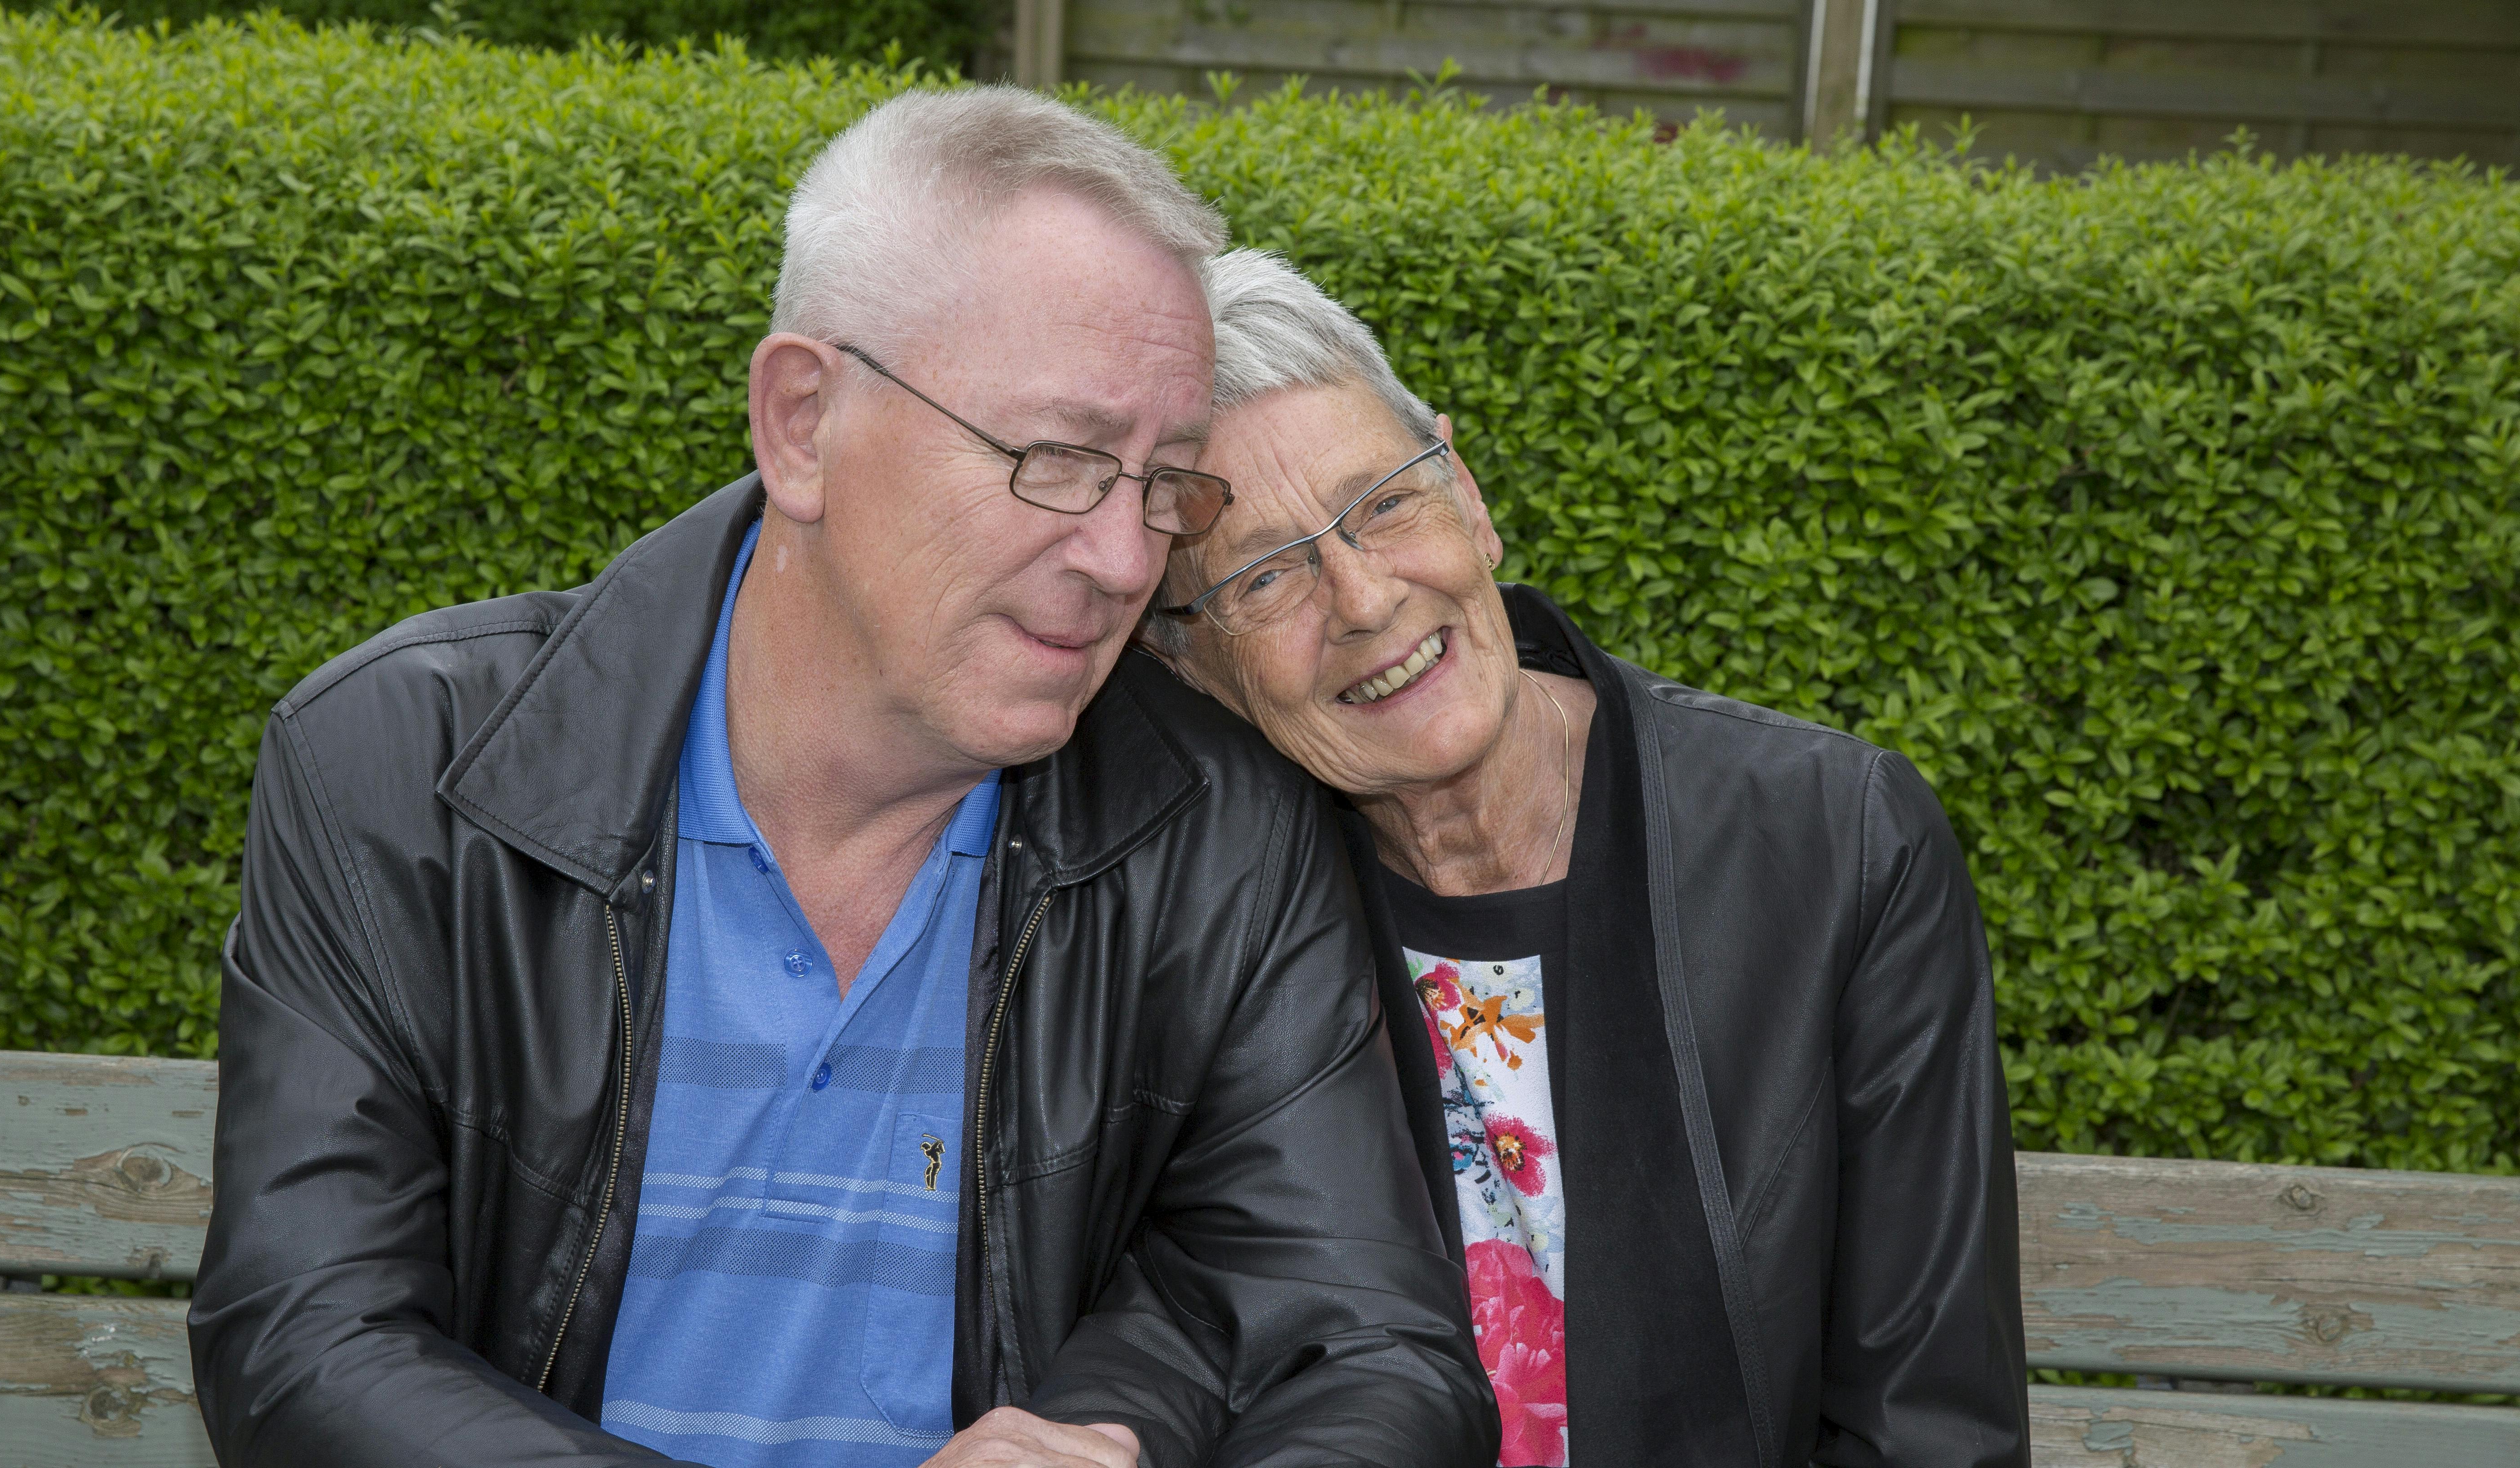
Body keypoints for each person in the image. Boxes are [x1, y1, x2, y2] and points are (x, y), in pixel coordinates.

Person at [189, 95, 1495, 1468]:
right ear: (803, 424)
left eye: (1166, 484)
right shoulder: (407, 768)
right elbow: (304, 1346)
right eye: (1055, 462)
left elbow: (1367, 1355)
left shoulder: (1220, 832)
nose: (1125, 560)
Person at [1143, 250, 2030, 1468]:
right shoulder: (1201, 917)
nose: (1362, 600)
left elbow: (1929, 1425)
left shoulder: (1838, 843)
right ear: (1190, 665)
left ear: (1467, 494)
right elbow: (1174, 1322)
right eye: (1263, 576)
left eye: (1386, 505)